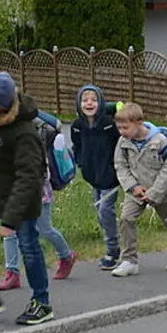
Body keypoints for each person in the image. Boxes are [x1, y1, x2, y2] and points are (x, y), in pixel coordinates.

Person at [0, 72, 54, 325]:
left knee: (29, 247)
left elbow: (28, 178)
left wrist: (10, 220)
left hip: (20, 198)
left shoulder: (25, 133)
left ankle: (42, 302)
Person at [0, 112, 78, 290]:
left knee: (44, 229)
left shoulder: (34, 129)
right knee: (9, 230)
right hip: (11, 189)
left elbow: (39, 167)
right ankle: (12, 273)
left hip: (37, 190)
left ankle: (66, 255)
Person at [111, 103, 167, 277]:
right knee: (126, 218)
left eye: (126, 127)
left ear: (139, 122)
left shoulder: (159, 141)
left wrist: (155, 192)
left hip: (160, 190)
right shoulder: (123, 142)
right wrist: (132, 187)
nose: (122, 131)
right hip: (136, 190)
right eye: (119, 128)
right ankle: (129, 260)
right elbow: (120, 166)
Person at [70, 84, 122, 270]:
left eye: (93, 99)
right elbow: (77, 147)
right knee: (101, 213)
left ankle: (113, 250)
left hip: (111, 175)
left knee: (105, 210)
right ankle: (115, 241)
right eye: (85, 100)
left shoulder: (109, 124)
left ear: (101, 102)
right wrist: (80, 163)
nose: (89, 103)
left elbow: (120, 146)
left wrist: (119, 169)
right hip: (93, 176)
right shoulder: (77, 126)